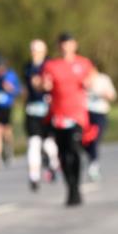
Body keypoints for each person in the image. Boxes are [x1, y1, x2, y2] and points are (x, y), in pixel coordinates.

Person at [41, 32, 94, 206]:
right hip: (58, 115)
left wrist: (89, 83)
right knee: (63, 154)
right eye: (62, 43)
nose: (66, 46)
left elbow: (92, 79)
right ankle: (69, 187)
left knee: (75, 151)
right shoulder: (51, 65)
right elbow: (44, 84)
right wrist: (44, 85)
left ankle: (76, 186)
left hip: (77, 115)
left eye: (69, 43)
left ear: (74, 45)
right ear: (59, 46)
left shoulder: (83, 63)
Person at [23, 39, 60, 192]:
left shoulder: (51, 65)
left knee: (48, 143)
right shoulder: (28, 67)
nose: (34, 53)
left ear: (44, 52)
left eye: (37, 50)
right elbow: (33, 85)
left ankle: (53, 163)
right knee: (34, 143)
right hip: (32, 110)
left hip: (48, 110)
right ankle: (34, 177)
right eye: (32, 50)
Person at [85, 62, 117, 182]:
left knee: (95, 139)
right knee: (85, 141)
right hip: (85, 113)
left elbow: (112, 95)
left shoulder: (103, 79)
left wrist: (104, 94)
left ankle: (93, 165)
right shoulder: (83, 79)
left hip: (100, 113)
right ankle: (91, 160)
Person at [0, 56, 20, 169]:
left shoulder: (11, 75)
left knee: (6, 131)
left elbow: (18, 90)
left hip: (7, 106)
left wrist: (10, 89)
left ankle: (8, 151)